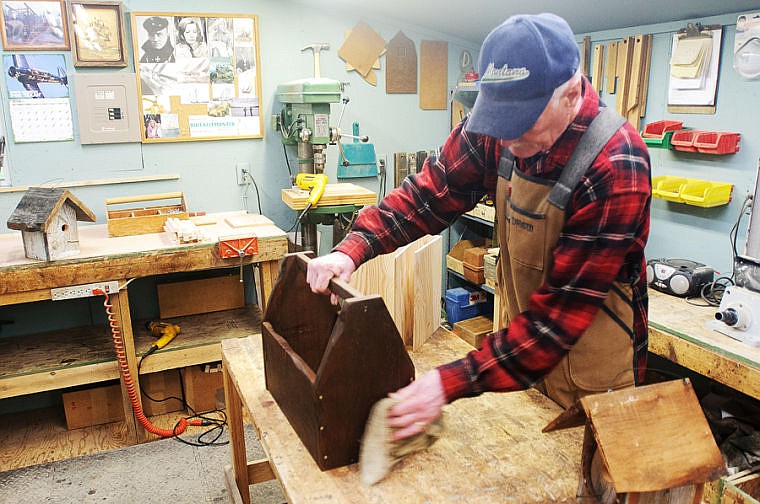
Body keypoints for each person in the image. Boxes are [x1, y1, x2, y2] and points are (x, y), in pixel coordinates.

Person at [306, 13, 651, 441]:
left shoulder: (615, 165)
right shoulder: (499, 129)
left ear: (571, 94)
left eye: (522, 126)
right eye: (499, 124)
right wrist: (351, 248)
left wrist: (444, 383)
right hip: (525, 356)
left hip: (594, 371)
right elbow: (428, 194)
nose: (508, 142)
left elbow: (555, 322)